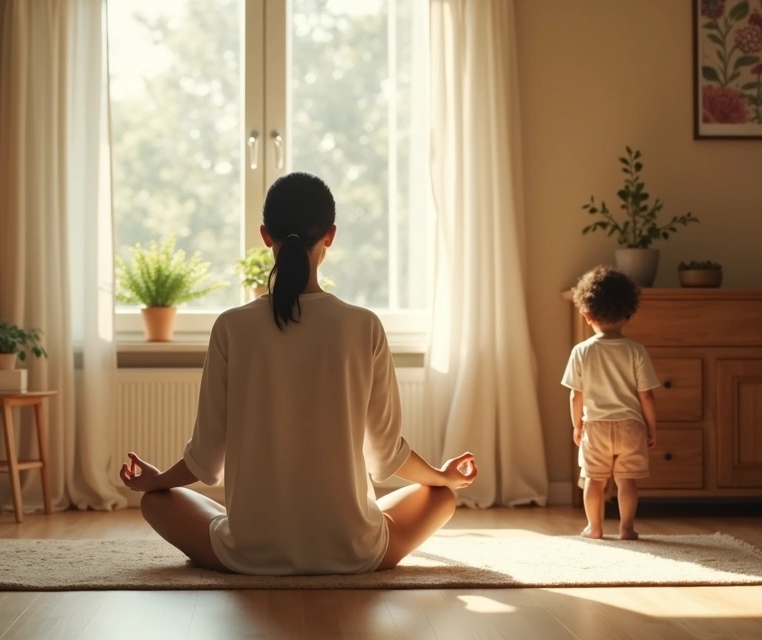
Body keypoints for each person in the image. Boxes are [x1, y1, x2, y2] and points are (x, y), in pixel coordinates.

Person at [119, 171, 478, 575]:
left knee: (156, 501)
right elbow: (386, 455)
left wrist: (158, 480)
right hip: (353, 551)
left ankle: (251, 536)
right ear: (331, 235)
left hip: (250, 553)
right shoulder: (364, 325)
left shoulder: (231, 327)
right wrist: (441, 476)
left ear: (265, 235)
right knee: (441, 497)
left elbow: (206, 459)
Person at [562, 266, 659, 540]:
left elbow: (575, 394)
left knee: (594, 480)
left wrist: (577, 425)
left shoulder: (581, 352)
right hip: (631, 427)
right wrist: (651, 427)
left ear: (586, 314)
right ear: (629, 313)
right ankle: (626, 528)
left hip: (596, 427)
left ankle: (595, 527)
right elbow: (647, 395)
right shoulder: (636, 351)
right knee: (626, 480)